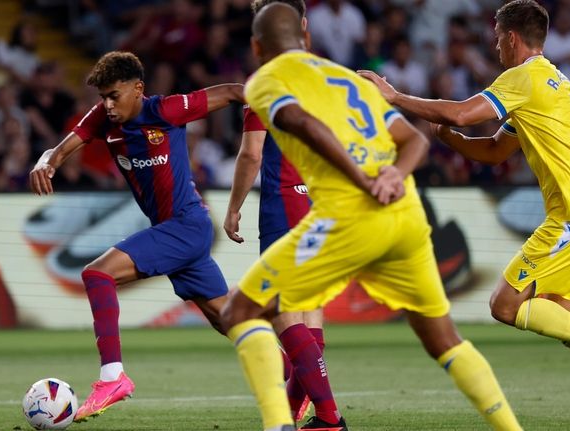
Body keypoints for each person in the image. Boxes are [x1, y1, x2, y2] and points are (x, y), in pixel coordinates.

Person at [358, 1, 570, 430]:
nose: (494, 46)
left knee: (505, 305)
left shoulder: (522, 77)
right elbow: (492, 149)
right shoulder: (552, 80)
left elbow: (464, 112)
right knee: (564, 324)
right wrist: (448, 138)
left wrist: (394, 97)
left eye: (496, 37)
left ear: (510, 38)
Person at [219, 3, 523, 431]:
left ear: (256, 46)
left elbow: (299, 123)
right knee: (444, 340)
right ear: (305, 37)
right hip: (405, 217)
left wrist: (361, 180)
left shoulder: (265, 81)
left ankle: (281, 425)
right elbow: (413, 140)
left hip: (346, 218)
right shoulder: (346, 78)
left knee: (240, 311)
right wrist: (392, 176)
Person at [29, 51, 243, 422]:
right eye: (103, 98)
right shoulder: (102, 120)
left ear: (138, 89)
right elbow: (60, 149)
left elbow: (233, 91)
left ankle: (112, 377)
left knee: (97, 273)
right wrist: (45, 161)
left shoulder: (167, 110)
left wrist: (284, 108)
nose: (108, 105)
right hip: (173, 230)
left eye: (114, 95)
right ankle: (295, 375)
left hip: (186, 225)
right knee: (227, 320)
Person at [223, 0, 345, 429]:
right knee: (309, 314)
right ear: (304, 27)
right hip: (326, 204)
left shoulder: (266, 83)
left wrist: (234, 206)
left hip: (285, 204)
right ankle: (299, 412)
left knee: (280, 311)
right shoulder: (328, 77)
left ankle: (330, 419)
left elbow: (251, 153)